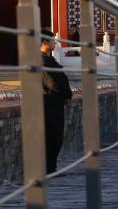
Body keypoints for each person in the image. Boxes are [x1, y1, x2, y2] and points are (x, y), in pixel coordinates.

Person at [40, 29, 72, 173]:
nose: (55, 43)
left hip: (55, 103)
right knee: (52, 137)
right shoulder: (41, 61)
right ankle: (48, 169)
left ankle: (51, 167)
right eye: (52, 41)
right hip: (49, 104)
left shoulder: (48, 59)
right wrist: (66, 94)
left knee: (56, 137)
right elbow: (52, 82)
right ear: (44, 42)